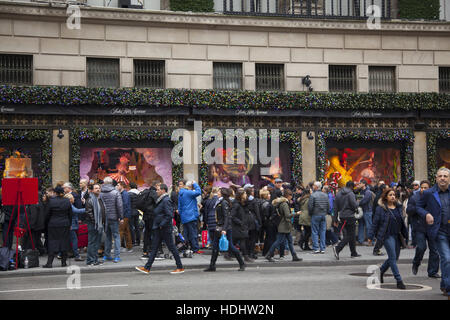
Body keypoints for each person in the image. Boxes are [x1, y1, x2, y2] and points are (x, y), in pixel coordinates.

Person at [135, 184, 185, 275]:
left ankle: (180, 267)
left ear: (163, 190)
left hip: (164, 228)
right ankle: (147, 267)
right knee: (154, 248)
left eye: (158, 190)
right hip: (159, 228)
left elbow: (169, 215)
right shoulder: (161, 200)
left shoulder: (166, 200)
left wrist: (162, 224)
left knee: (172, 247)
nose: (156, 191)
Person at [416, 167, 450, 298]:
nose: (442, 178)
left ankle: (444, 283)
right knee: (446, 258)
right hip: (439, 231)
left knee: (447, 261)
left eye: (445, 176)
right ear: (436, 178)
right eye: (440, 176)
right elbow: (418, 207)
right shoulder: (428, 193)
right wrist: (427, 214)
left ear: (449, 179)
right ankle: (448, 288)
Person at [371, 188, 408, 289]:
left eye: (394, 195)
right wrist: (371, 235)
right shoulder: (381, 208)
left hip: (397, 235)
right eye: (390, 195)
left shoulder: (399, 207)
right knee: (392, 257)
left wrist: (406, 235)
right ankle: (399, 280)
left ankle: (382, 270)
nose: (393, 197)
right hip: (386, 235)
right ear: (386, 197)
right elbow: (375, 222)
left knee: (395, 258)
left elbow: (402, 223)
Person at [204, 187, 245, 272]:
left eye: (219, 191)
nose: (217, 193)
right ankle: (212, 266)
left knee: (230, 247)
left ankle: (242, 263)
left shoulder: (223, 203)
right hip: (218, 227)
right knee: (215, 246)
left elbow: (227, 217)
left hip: (224, 228)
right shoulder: (219, 202)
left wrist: (224, 229)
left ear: (222, 193)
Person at [407, 180, 440, 278]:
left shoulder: (434, 197)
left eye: (426, 188)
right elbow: (409, 211)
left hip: (432, 227)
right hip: (419, 227)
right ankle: (416, 263)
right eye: (422, 187)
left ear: (430, 189)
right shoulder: (414, 198)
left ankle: (432, 271)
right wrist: (417, 208)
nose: (423, 189)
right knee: (421, 247)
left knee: (434, 250)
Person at [265, 188, 302, 262]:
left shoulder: (282, 202)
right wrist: (296, 213)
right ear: (288, 196)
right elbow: (287, 215)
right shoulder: (284, 204)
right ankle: (269, 255)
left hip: (284, 225)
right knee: (279, 241)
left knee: (289, 241)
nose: (292, 197)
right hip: (284, 225)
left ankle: (294, 256)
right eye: (291, 195)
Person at [42, 186, 72, 268]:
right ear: (62, 192)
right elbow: (70, 214)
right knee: (64, 242)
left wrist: (46, 223)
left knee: (52, 242)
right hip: (65, 224)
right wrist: (69, 223)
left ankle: (49, 263)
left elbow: (47, 215)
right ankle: (63, 262)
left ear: (55, 192)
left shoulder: (51, 201)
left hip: (53, 224)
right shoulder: (67, 201)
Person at [333, 181, 361, 259]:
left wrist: (335, 219)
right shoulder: (350, 194)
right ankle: (338, 248)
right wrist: (358, 203)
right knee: (350, 235)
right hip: (350, 216)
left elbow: (335, 207)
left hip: (342, 216)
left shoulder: (338, 194)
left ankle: (353, 252)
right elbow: (354, 205)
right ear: (352, 186)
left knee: (350, 234)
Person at [100, 176, 124, 263]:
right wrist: (121, 217)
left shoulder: (100, 193)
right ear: (111, 183)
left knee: (108, 237)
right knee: (116, 236)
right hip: (113, 217)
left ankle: (106, 255)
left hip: (104, 218)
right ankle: (117, 256)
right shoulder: (115, 192)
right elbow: (119, 206)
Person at [84, 184, 106, 266]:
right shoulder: (90, 200)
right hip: (93, 224)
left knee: (97, 243)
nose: (98, 189)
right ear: (92, 190)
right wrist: (95, 222)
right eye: (96, 188)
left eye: (99, 188)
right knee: (92, 242)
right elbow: (89, 212)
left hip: (100, 224)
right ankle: (90, 260)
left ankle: (95, 259)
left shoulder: (100, 199)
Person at [178, 180, 202, 253]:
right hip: (191, 215)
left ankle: (186, 246)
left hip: (184, 216)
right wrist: (195, 183)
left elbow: (180, 206)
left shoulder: (180, 193)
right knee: (193, 233)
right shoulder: (188, 192)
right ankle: (195, 248)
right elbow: (198, 192)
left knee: (186, 233)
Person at [136, 181, 158, 258]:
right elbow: (157, 203)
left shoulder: (146, 192)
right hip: (152, 216)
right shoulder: (154, 193)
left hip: (146, 216)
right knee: (153, 233)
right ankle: (152, 250)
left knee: (147, 233)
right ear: (156, 186)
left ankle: (145, 251)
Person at [308, 181, 329, 254]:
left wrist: (310, 214)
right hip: (323, 215)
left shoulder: (313, 195)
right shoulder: (325, 195)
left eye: (313, 185)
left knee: (315, 232)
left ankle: (316, 248)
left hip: (315, 214)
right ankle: (322, 248)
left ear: (316, 187)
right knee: (323, 231)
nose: (313, 187)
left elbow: (310, 206)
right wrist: (326, 212)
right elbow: (328, 205)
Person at [231, 188, 251, 262]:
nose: (246, 195)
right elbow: (232, 216)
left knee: (234, 241)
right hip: (238, 226)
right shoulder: (236, 205)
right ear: (241, 195)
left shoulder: (242, 204)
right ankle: (245, 256)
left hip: (241, 225)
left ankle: (229, 254)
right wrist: (240, 222)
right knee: (241, 241)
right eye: (244, 194)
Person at [64, 193, 85, 261]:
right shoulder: (70, 205)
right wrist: (87, 209)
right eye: (72, 198)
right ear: (70, 199)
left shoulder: (68, 205)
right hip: (71, 226)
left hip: (71, 225)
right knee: (74, 240)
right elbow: (77, 211)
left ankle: (62, 254)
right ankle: (77, 255)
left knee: (68, 240)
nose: (74, 199)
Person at [244, 184, 261, 260]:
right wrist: (260, 222)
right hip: (252, 221)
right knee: (253, 238)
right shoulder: (253, 201)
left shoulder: (243, 200)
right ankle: (251, 253)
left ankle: (246, 253)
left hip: (245, 221)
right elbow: (257, 212)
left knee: (247, 238)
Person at [117, 182, 133, 253]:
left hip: (124, 215)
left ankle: (118, 247)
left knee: (120, 231)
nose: (117, 186)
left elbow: (124, 205)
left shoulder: (125, 194)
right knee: (126, 231)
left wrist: (121, 216)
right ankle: (129, 247)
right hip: (126, 215)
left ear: (122, 186)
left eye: (118, 185)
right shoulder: (124, 193)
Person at [357, 179, 374, 245]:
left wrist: (358, 203)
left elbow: (365, 200)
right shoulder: (361, 191)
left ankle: (370, 241)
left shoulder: (368, 192)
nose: (359, 185)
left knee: (368, 226)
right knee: (361, 225)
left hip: (367, 211)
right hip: (362, 210)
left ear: (364, 184)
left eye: (360, 183)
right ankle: (360, 240)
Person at [297, 186, 312, 251]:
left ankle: (306, 245)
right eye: (311, 191)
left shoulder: (302, 199)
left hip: (302, 215)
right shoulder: (309, 199)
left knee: (307, 231)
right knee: (309, 232)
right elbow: (310, 207)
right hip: (307, 216)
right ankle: (301, 241)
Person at [128, 182, 141, 247]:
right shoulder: (139, 193)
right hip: (137, 211)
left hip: (130, 211)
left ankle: (133, 241)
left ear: (130, 187)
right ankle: (138, 241)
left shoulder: (128, 194)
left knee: (131, 227)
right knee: (137, 226)